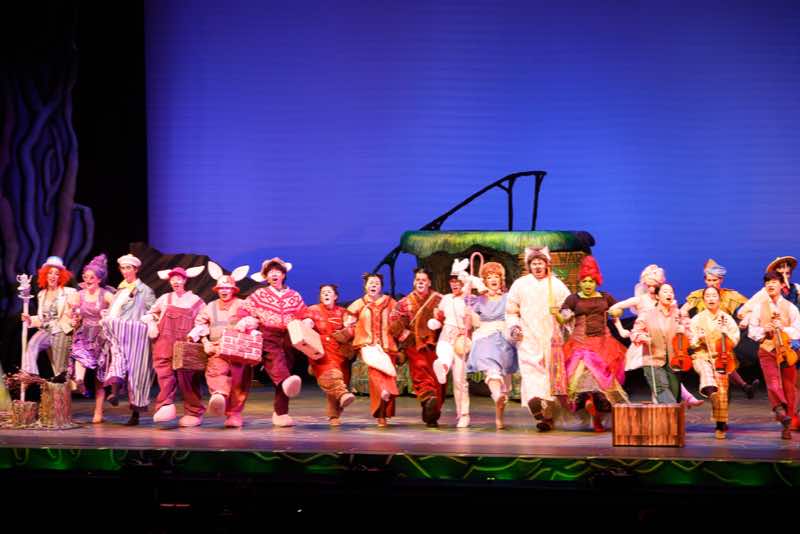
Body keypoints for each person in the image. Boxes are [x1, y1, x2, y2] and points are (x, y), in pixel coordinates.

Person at [609, 264, 704, 408]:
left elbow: (680, 323)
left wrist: (691, 336)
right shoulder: (640, 300)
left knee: (666, 376)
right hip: (646, 341)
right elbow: (613, 309)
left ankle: (670, 403)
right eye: (649, 285)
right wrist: (621, 329)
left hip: (667, 343)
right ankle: (681, 400)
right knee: (657, 378)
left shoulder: (671, 304)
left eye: (656, 285)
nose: (652, 288)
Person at [559, 256, 628, 432]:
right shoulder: (573, 299)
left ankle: (596, 414)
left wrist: (617, 312)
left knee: (604, 381)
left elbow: (618, 310)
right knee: (585, 377)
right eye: (584, 281)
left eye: (591, 281)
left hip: (604, 344)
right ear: (580, 282)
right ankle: (590, 405)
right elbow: (563, 317)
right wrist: (558, 314)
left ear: (596, 281)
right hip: (580, 344)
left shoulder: (606, 297)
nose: (588, 285)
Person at [506, 246, 570, 432]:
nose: (537, 266)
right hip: (528, 337)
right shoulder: (520, 284)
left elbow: (568, 308)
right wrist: (514, 327)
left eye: (540, 263)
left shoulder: (556, 285)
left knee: (550, 376)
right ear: (529, 266)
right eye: (534, 263)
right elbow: (511, 310)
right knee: (531, 371)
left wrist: (563, 317)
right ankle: (537, 405)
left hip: (551, 338)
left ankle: (547, 416)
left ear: (547, 264)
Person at [236, 257, 305, 427]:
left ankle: (281, 413)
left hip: (288, 336)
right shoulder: (260, 294)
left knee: (285, 373)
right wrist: (248, 322)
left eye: (277, 271)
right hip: (267, 334)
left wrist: (307, 320)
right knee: (277, 363)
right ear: (266, 277)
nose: (274, 274)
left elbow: (303, 313)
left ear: (283, 275)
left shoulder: (294, 295)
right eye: (270, 272)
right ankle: (286, 384)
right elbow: (243, 309)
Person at [681, 259, 757, 398]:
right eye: (709, 280)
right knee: (710, 367)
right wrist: (686, 320)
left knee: (725, 364)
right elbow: (683, 310)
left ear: (721, 280)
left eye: (715, 280)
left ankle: (742, 387)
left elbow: (750, 307)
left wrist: (746, 318)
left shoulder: (730, 295)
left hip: (721, 336)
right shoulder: (700, 295)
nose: (712, 283)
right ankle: (739, 387)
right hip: (704, 336)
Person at [188, 262, 251, 428]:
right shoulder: (211, 306)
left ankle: (234, 414)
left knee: (239, 382)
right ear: (217, 290)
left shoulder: (242, 304)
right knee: (216, 372)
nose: (224, 291)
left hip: (238, 348)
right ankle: (219, 395)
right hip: (217, 347)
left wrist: (247, 323)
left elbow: (252, 319)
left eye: (227, 288)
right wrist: (205, 342)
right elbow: (200, 324)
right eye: (221, 288)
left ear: (233, 290)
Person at [144, 265, 206, 426]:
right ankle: (165, 405)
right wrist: (152, 324)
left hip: (185, 343)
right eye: (173, 279)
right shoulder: (165, 298)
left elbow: (204, 321)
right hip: (164, 342)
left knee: (187, 379)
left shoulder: (195, 301)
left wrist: (195, 333)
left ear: (185, 280)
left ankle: (194, 412)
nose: (176, 282)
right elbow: (152, 313)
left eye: (179, 278)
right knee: (164, 375)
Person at [101, 254, 156, 426]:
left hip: (136, 337)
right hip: (119, 334)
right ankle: (114, 392)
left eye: (129, 268)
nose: (125, 271)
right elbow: (115, 311)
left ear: (136, 269)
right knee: (117, 361)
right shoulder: (120, 290)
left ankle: (135, 414)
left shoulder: (145, 290)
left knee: (136, 373)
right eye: (123, 268)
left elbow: (154, 311)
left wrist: (148, 322)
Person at [747, 271, 800, 440]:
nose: (770, 285)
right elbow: (752, 331)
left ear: (782, 285)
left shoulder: (790, 307)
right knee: (773, 383)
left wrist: (783, 329)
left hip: (787, 351)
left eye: (774, 281)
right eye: (767, 282)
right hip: (767, 350)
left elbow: (798, 331)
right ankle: (780, 410)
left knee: (789, 388)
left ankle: (787, 425)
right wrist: (764, 330)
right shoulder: (759, 307)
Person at [465, 261, 517, 430]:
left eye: (496, 276)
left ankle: (499, 414)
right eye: (489, 277)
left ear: (501, 279)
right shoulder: (478, 300)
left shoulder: (508, 298)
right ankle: (496, 395)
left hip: (504, 338)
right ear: (484, 281)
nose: (493, 279)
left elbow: (515, 315)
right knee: (492, 370)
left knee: (504, 383)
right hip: (485, 337)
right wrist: (469, 314)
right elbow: (473, 323)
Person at [389, 268, 444, 427]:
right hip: (415, 346)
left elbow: (449, 320)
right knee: (421, 373)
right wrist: (407, 338)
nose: (420, 282)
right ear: (414, 282)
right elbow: (393, 322)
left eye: (423, 280)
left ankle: (431, 414)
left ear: (429, 282)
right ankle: (428, 399)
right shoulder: (404, 302)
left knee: (438, 380)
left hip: (435, 346)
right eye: (418, 280)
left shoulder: (440, 300)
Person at [346, 273, 399, 427]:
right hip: (369, 345)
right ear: (365, 286)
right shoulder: (359, 304)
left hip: (387, 345)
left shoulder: (390, 302)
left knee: (389, 376)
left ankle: (386, 410)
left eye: (377, 282)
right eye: (371, 282)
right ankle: (380, 415)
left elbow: (399, 320)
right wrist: (350, 327)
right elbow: (348, 321)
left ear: (381, 286)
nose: (373, 285)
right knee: (376, 376)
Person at [688, 286, 740, 439]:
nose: (711, 298)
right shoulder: (697, 319)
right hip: (702, 355)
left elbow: (735, 338)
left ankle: (720, 425)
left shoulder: (726, 318)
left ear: (719, 298)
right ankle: (711, 394)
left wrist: (726, 335)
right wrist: (698, 339)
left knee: (722, 391)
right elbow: (690, 341)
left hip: (721, 358)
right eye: (708, 296)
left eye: (714, 296)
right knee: (706, 372)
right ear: (704, 300)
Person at [67, 254, 115, 423]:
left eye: (92, 277)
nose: (88, 280)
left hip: (101, 336)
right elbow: (72, 314)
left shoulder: (106, 295)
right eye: (85, 277)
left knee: (99, 378)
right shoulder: (78, 295)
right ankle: (80, 382)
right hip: (84, 332)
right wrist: (73, 319)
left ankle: (98, 411)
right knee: (80, 357)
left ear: (99, 279)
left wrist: (108, 315)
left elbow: (117, 311)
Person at [429, 258, 475, 428]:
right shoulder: (446, 299)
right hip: (446, 334)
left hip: (461, 340)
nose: (454, 284)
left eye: (458, 281)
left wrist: (468, 326)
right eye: (452, 281)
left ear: (463, 283)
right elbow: (440, 316)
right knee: (443, 354)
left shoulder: (470, 299)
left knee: (459, 380)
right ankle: (442, 367)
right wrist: (436, 320)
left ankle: (463, 414)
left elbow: (475, 320)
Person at [302, 284, 356, 426]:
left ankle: (336, 411)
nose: (325, 294)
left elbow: (352, 329)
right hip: (322, 350)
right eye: (323, 292)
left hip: (339, 351)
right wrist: (306, 324)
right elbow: (306, 321)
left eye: (329, 292)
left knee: (342, 379)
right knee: (332, 375)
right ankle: (336, 410)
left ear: (335, 296)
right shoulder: (313, 310)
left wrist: (348, 329)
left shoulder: (343, 312)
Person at [630, 283, 692, 404]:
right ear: (657, 296)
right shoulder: (647, 314)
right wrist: (643, 337)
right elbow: (635, 332)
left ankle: (673, 414)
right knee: (661, 389)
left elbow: (690, 334)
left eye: (671, 292)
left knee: (675, 395)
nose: (669, 294)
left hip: (675, 360)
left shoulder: (678, 314)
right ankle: (672, 412)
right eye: (665, 291)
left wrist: (684, 331)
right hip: (653, 359)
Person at [21, 256, 76, 378]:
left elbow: (77, 310)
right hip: (46, 331)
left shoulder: (69, 292)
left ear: (60, 277)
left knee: (61, 370)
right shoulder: (42, 294)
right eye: (50, 273)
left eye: (56, 274)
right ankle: (31, 374)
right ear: (45, 275)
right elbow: (42, 319)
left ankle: (67, 387)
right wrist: (30, 319)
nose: (53, 276)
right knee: (32, 344)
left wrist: (74, 317)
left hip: (61, 331)